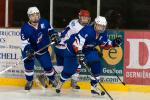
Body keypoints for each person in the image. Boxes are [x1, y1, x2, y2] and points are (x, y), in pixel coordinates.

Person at [55, 16, 121, 95]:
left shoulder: (103, 33)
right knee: (70, 71)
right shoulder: (87, 30)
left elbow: (104, 45)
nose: (100, 29)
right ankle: (61, 81)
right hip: (72, 49)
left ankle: (94, 87)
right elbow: (76, 43)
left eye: (103, 27)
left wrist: (113, 43)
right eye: (99, 26)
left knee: (96, 63)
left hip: (87, 49)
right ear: (95, 24)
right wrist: (79, 53)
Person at [20, 6, 59, 90]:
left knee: (48, 66)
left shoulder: (44, 22)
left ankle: (52, 79)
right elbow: (24, 43)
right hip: (30, 50)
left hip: (42, 49)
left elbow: (51, 31)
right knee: (29, 67)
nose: (35, 17)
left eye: (37, 14)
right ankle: (29, 81)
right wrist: (28, 51)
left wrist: (54, 36)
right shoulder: (25, 28)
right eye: (33, 15)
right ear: (29, 17)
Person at [53, 9, 91, 89]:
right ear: (79, 17)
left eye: (86, 18)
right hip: (64, 47)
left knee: (67, 65)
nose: (85, 19)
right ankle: (47, 74)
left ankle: (48, 74)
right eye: (83, 17)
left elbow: (65, 32)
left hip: (61, 45)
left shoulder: (74, 21)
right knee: (73, 64)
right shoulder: (78, 28)